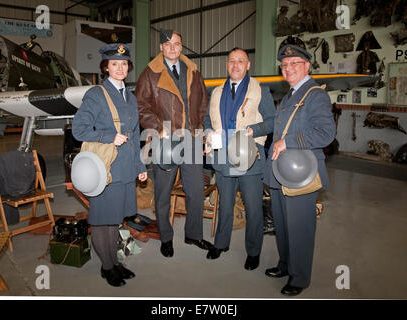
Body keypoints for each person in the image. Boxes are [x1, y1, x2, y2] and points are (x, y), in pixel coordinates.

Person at [72, 43, 147, 287]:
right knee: (102, 220)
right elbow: (79, 129)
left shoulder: (131, 97)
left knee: (115, 219)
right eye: (114, 63)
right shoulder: (96, 94)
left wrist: (140, 166)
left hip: (125, 169)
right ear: (105, 67)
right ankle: (107, 267)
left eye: (124, 64)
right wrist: (108, 136)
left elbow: (135, 136)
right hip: (105, 168)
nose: (119, 68)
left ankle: (114, 262)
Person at [263, 45, 336, 296]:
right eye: (284, 64)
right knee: (282, 225)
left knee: (300, 227)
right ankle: (285, 264)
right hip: (281, 172)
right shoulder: (289, 95)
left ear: (307, 66)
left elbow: (326, 134)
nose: (288, 68)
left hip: (301, 173)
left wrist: (289, 141)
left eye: (294, 63)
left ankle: (300, 277)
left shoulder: (315, 95)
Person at [135, 30, 211, 258]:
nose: (172, 47)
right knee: (162, 193)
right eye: (167, 44)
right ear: (161, 47)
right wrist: (159, 130)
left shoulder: (193, 71)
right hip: (166, 141)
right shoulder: (150, 74)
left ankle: (194, 234)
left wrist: (203, 133)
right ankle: (166, 237)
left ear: (181, 47)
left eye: (176, 43)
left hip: (192, 140)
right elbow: (141, 106)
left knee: (196, 191)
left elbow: (202, 105)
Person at [203, 47, 275, 270]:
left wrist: (254, 129)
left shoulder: (261, 90)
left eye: (240, 61)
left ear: (248, 65)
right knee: (225, 204)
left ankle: (253, 252)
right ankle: (221, 243)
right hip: (223, 157)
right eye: (232, 61)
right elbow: (207, 120)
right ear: (227, 65)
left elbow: (273, 121)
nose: (235, 65)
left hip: (249, 157)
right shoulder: (216, 91)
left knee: (253, 208)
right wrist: (208, 133)